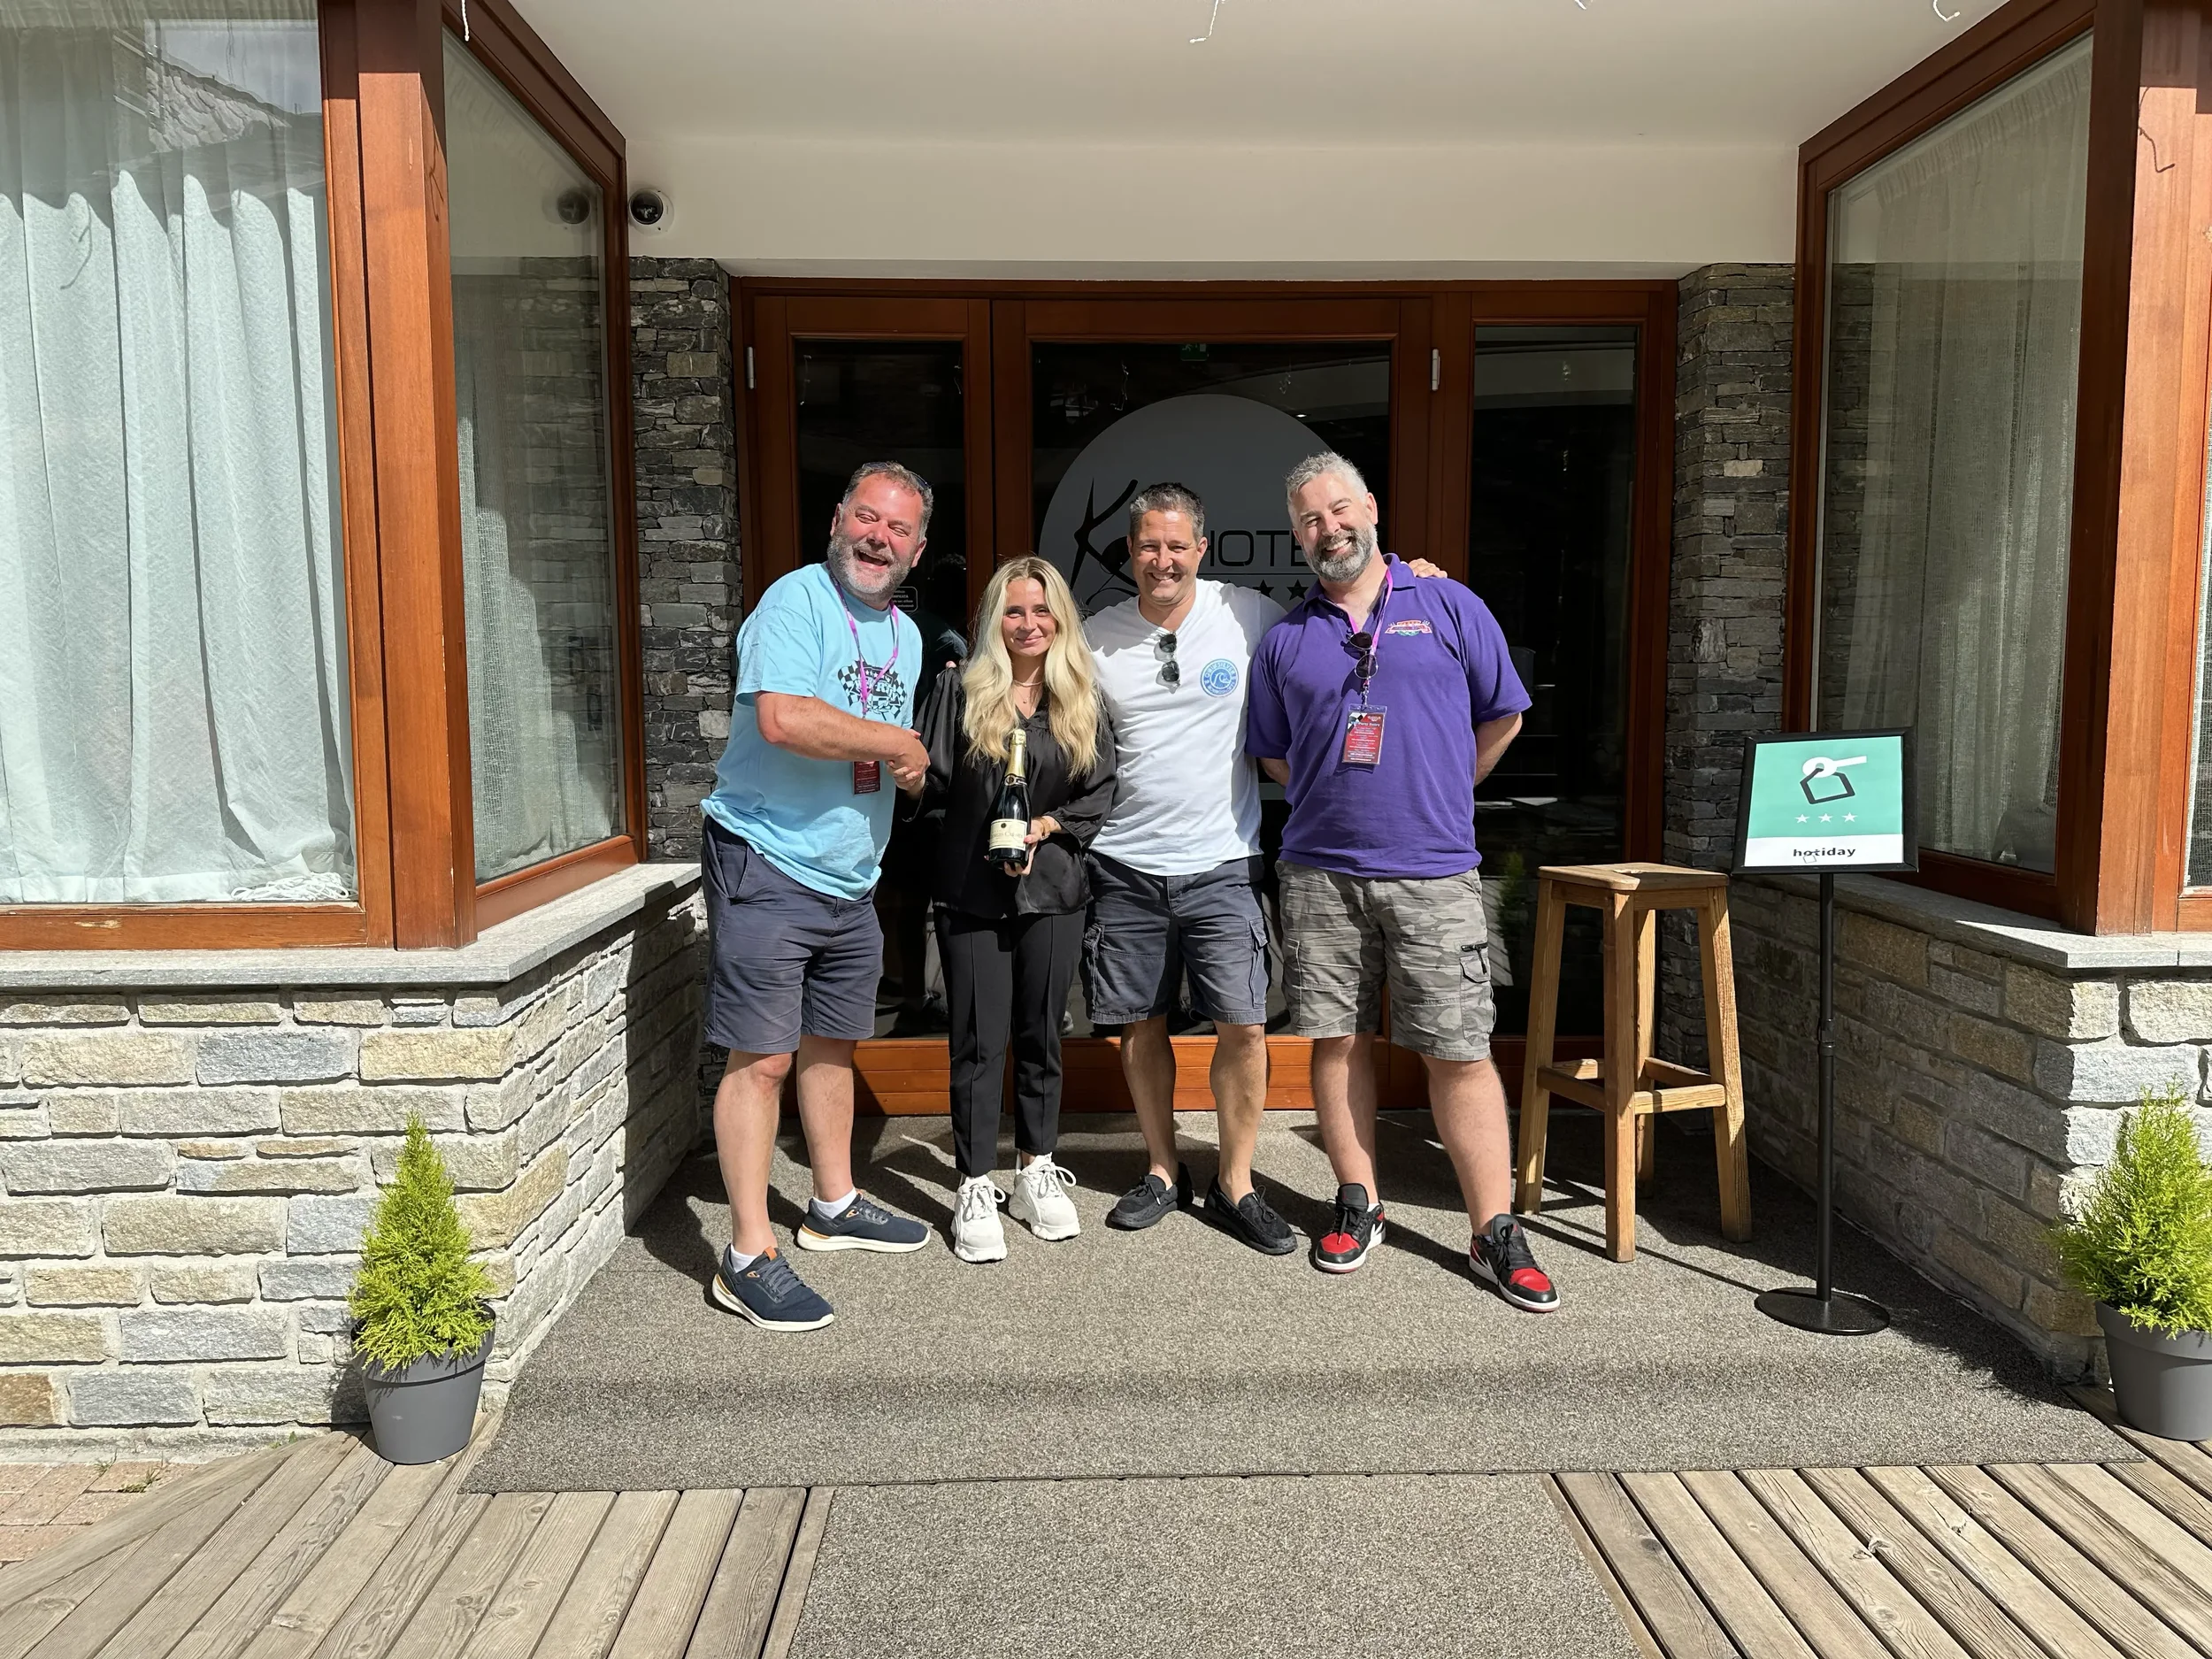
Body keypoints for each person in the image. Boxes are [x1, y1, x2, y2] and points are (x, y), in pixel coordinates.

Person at [1248, 452, 1560, 1313]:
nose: (1328, 529)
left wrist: (1441, 790)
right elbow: (1274, 753)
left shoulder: (1450, 603)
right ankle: (1358, 1200)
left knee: (1457, 1052)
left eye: (1339, 510)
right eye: (1310, 519)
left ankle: (1493, 1228)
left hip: (1436, 872)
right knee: (1336, 1041)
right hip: (1319, 876)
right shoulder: (1285, 637)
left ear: (1371, 509)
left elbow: (1505, 713)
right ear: (1297, 533)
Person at [700, 461, 939, 1333]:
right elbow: (784, 719)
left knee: (832, 1044)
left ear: (916, 548)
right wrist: (897, 741)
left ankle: (832, 1204)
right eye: (867, 518)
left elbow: (877, 758)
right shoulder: (795, 603)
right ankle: (747, 1253)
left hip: (850, 874)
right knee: (760, 1059)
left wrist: (907, 770)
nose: (879, 537)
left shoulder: (903, 637)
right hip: (768, 857)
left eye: (898, 528)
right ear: (838, 519)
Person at [1081, 482, 1296, 1253]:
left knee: (1243, 1024)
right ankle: (1164, 1169)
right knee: (1141, 1024)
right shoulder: (1096, 636)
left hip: (1224, 863)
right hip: (1126, 865)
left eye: (1177, 545)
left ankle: (1236, 1182)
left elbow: (1343, 625)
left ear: (1201, 548)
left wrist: (1415, 578)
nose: (1162, 559)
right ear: (1129, 552)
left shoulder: (1249, 614)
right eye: (1148, 545)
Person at [910, 557, 1118, 1263]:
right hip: (971, 893)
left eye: (1041, 611)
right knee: (976, 1041)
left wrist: (1047, 829)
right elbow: (930, 789)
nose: (1028, 625)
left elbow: (1100, 792)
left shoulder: (1080, 698)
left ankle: (1034, 1168)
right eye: (1013, 611)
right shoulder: (956, 692)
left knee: (1041, 1035)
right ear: (993, 619)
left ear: (1059, 619)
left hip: (1054, 892)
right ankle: (973, 1180)